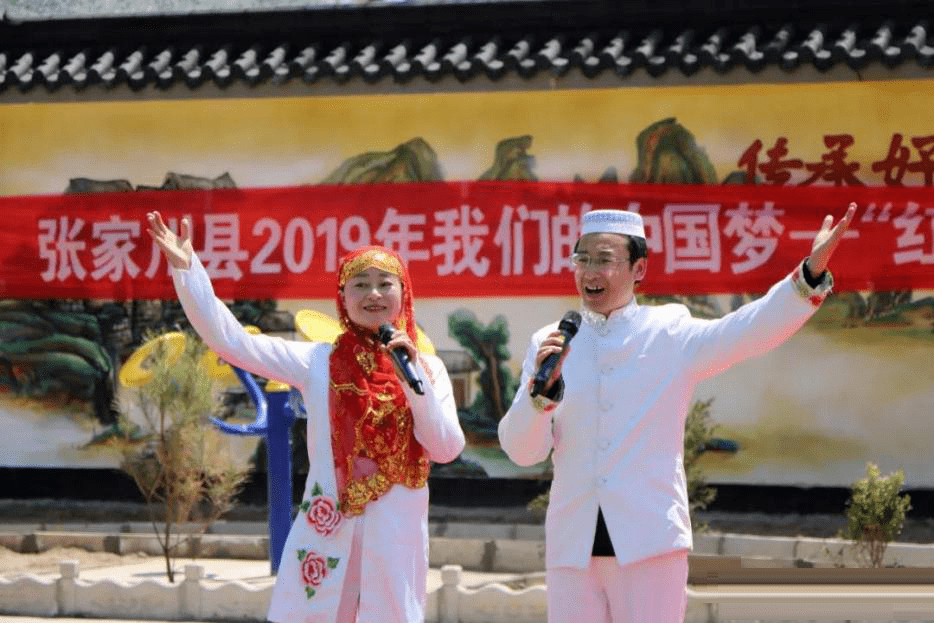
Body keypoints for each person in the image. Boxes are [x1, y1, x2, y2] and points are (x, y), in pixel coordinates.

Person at [498, 204, 856, 623]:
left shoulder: (669, 331)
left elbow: (746, 330)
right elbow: (522, 450)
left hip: (651, 542)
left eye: (605, 260)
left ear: (639, 268)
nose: (590, 271)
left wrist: (809, 275)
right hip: (572, 547)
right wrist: (538, 395)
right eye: (583, 259)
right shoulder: (550, 342)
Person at [146, 211, 465, 623]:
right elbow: (233, 342)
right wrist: (188, 270)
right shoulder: (318, 362)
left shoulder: (428, 368)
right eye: (360, 284)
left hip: (395, 538)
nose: (373, 294)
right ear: (342, 297)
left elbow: (445, 448)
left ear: (404, 293)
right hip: (329, 530)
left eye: (385, 284)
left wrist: (411, 378)